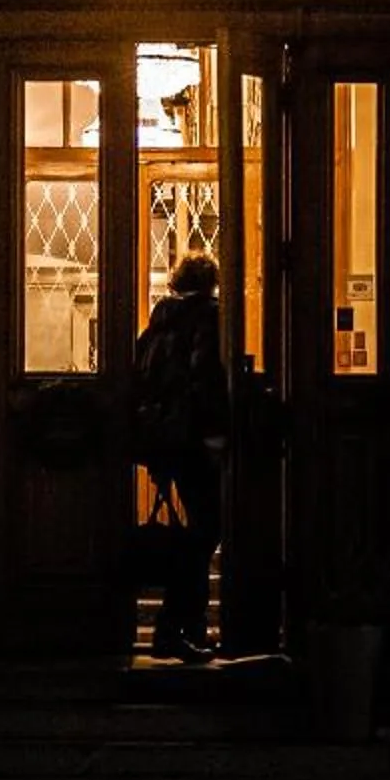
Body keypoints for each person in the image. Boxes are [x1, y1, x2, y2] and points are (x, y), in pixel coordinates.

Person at [131, 252, 231, 661]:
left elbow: (140, 376)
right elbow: (205, 378)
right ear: (211, 282)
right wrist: (214, 435)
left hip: (162, 440)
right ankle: (176, 627)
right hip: (193, 440)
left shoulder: (159, 321)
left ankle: (187, 626)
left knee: (193, 530)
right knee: (205, 531)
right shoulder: (208, 318)